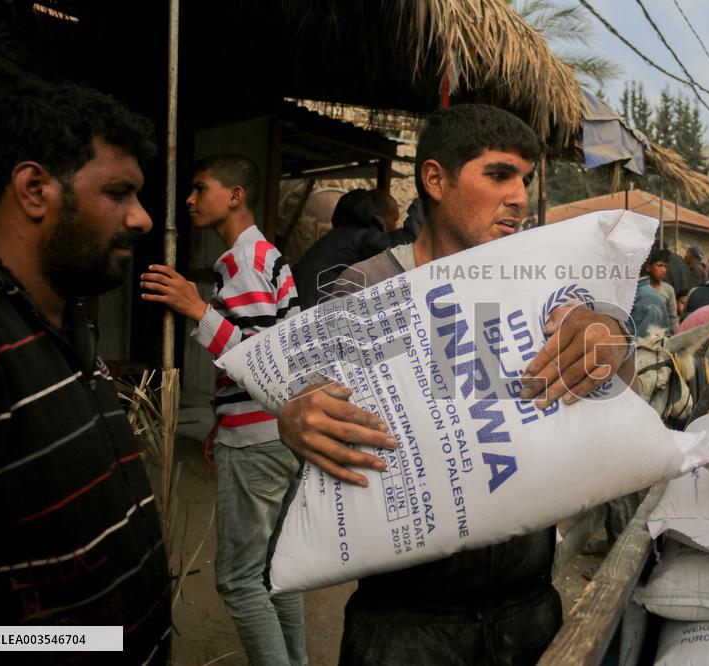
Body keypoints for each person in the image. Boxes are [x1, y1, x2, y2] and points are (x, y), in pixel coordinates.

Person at [278, 104, 632, 665]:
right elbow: (312, 392)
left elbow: (615, 381)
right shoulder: (372, 286)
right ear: (435, 179)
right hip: (404, 625)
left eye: (525, 179)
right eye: (498, 174)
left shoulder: (536, 281)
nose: (518, 196)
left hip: (529, 612)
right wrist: (297, 413)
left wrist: (610, 338)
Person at [0, 79, 170, 661]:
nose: (143, 219)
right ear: (34, 189)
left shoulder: (61, 320)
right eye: (120, 192)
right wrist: (80, 641)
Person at [140, 155, 307, 665]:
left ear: (235, 196)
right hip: (280, 430)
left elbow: (259, 357)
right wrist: (220, 419)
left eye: (199, 188)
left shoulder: (243, 262)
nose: (189, 200)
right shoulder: (268, 256)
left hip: (257, 440)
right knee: (279, 572)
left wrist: (196, 309)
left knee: (238, 581)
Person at [293, 188, 391, 308]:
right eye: (395, 219)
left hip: (303, 303)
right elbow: (397, 252)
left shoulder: (337, 236)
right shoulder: (365, 237)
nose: (396, 225)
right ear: (378, 215)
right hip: (320, 307)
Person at [646, 248, 679, 333]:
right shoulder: (640, 288)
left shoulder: (668, 289)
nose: (663, 270)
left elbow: (673, 316)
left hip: (661, 334)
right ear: (649, 267)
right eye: (659, 265)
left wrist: (675, 335)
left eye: (665, 266)